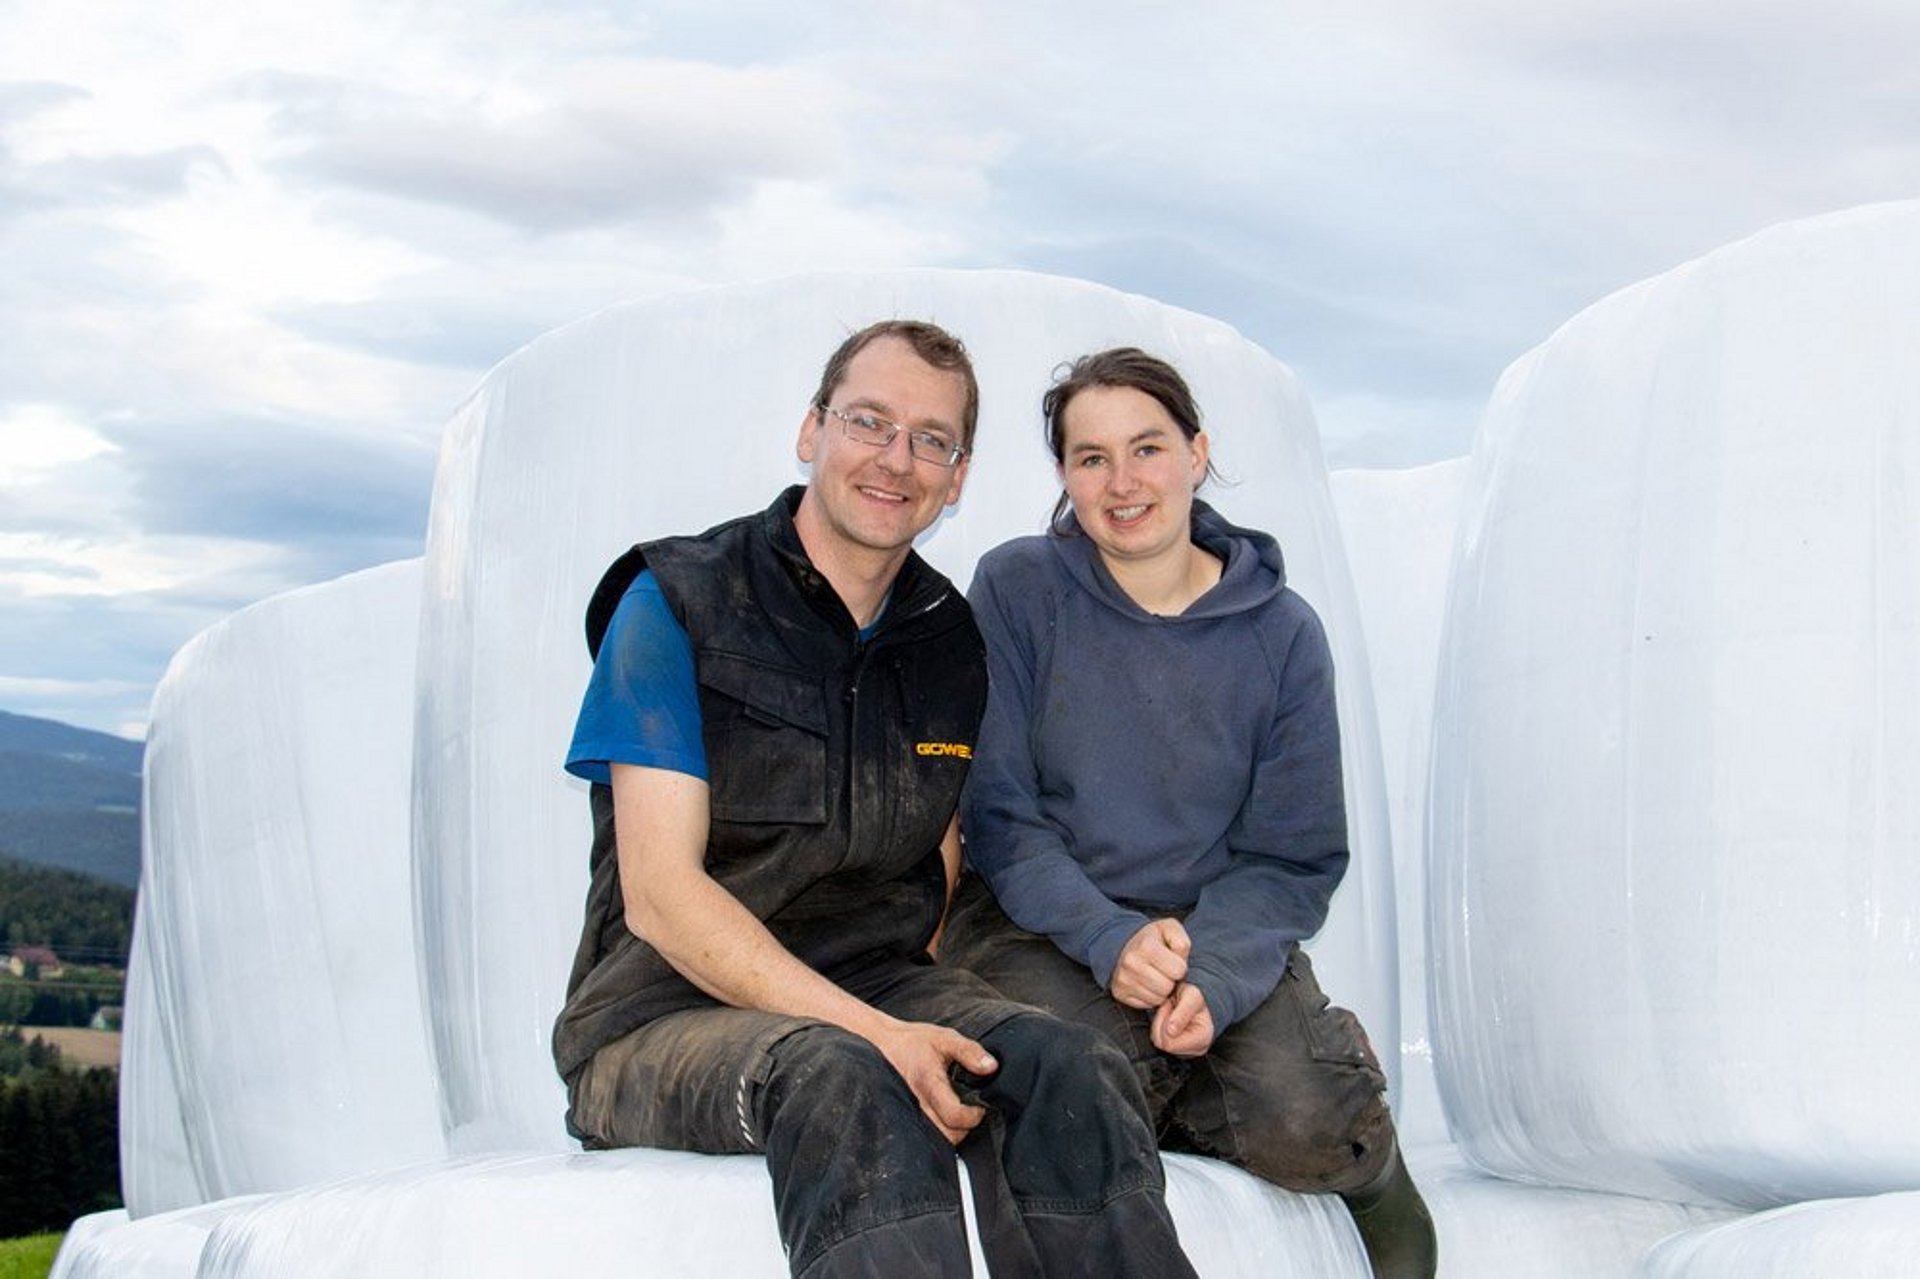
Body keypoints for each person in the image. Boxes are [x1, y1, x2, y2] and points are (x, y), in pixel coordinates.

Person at [551, 321, 1198, 1278]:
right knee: (848, 1079)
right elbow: (658, 895)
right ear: (812, 430)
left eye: (930, 439)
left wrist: (915, 1013)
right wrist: (882, 1034)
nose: (897, 459)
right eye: (868, 421)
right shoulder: (676, 600)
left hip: (878, 986)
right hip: (657, 1016)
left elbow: (937, 861)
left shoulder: (947, 642)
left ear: (958, 474)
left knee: (1066, 1067)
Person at [945, 347, 1438, 1277]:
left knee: (1308, 1119)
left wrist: (1212, 973)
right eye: (1090, 458)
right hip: (1041, 922)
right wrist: (1107, 937)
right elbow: (1000, 815)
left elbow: (1292, 858)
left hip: (1214, 930)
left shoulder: (1283, 634)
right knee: (1068, 1096)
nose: (1123, 482)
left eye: (1148, 448)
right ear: (1062, 474)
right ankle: (1169, 1095)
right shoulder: (1017, 591)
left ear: (1198, 451)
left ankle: (1365, 1172)